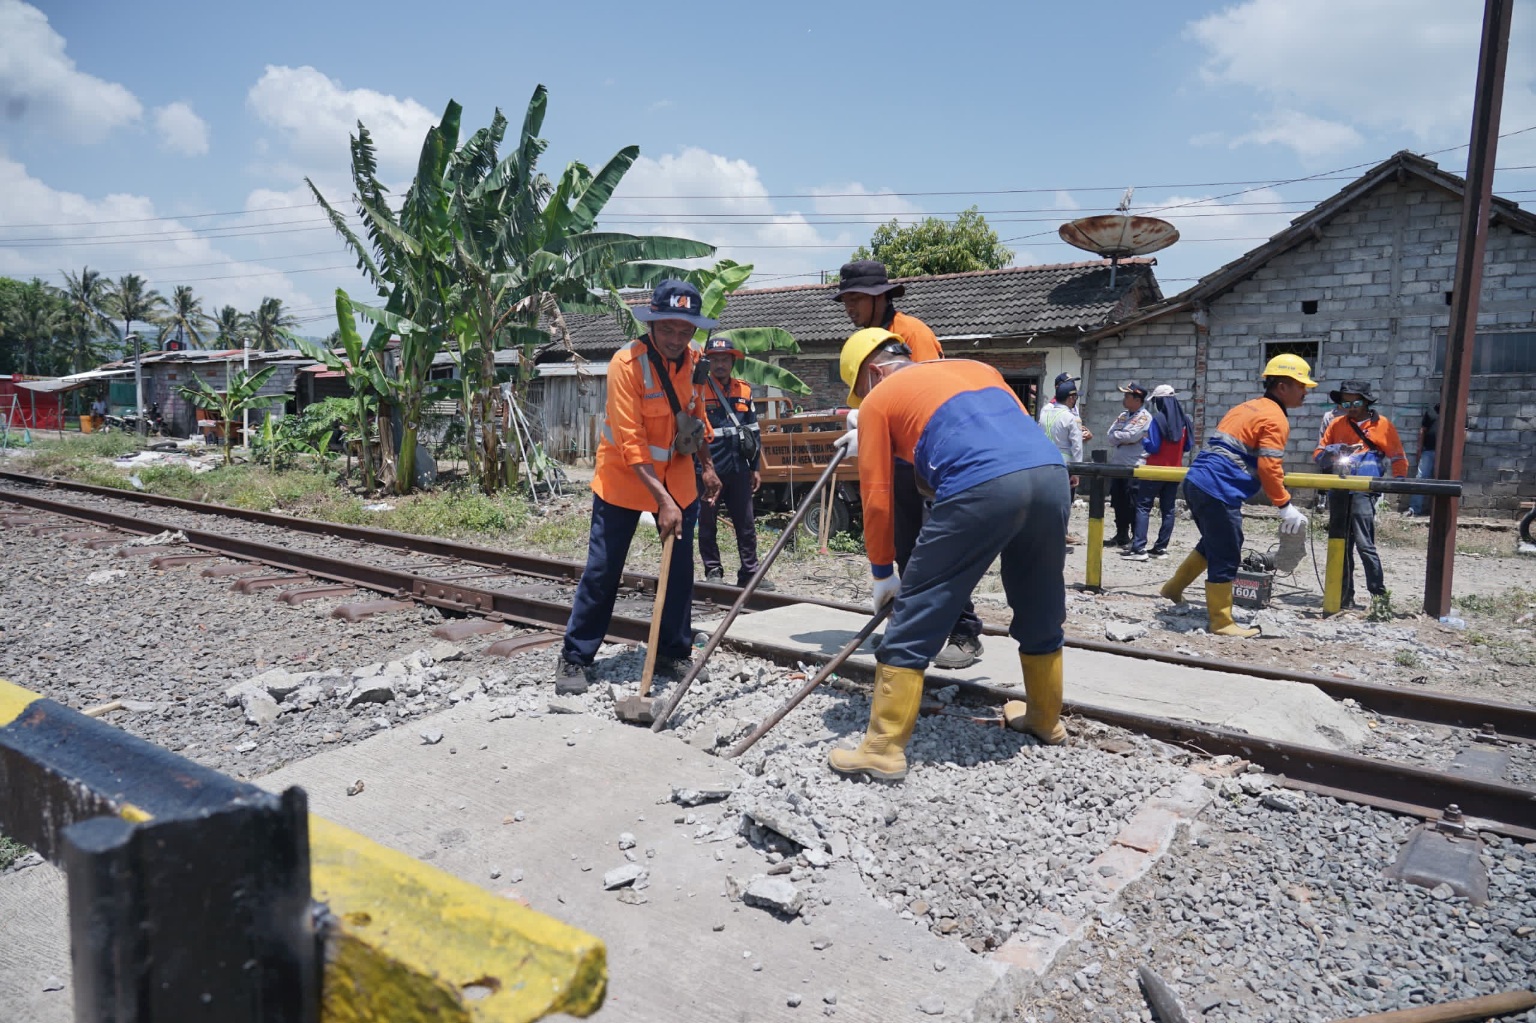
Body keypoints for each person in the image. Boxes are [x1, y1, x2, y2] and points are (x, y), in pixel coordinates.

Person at [826, 328, 1070, 782]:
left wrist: (883, 573)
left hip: (981, 485)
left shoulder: (879, 399)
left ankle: (882, 747)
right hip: (1050, 473)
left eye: (861, 391)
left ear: (875, 373)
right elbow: (975, 444)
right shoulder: (980, 369)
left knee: (920, 606)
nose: (864, 401)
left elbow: (878, 498)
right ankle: (1044, 717)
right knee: (1039, 599)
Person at [556, 280, 722, 694]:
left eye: (685, 332)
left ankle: (672, 652)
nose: (676, 340)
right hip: (624, 480)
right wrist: (663, 501)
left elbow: (696, 417)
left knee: (681, 571)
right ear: (651, 324)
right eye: (668, 330)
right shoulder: (625, 364)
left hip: (678, 479)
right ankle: (575, 657)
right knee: (603, 569)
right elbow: (630, 443)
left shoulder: (696, 361)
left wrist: (707, 466)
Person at [831, 260, 983, 670]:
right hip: (894, 456)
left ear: (881, 297)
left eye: (857, 299)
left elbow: (931, 394)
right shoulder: (866, 338)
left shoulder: (913, 333)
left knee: (936, 548)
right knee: (906, 546)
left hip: (925, 461)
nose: (850, 308)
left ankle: (964, 631)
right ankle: (916, 623)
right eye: (846, 300)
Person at [1159, 354, 1318, 637]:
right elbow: (1269, 467)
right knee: (1228, 551)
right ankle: (1221, 622)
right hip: (1218, 488)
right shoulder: (1275, 418)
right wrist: (1285, 506)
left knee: (1216, 542)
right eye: (1301, 386)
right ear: (1282, 387)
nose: (1305, 392)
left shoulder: (1247, 407)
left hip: (1198, 481)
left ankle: (1173, 588)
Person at [1314, 381, 1408, 614]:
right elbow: (1318, 454)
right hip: (1340, 489)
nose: (1351, 407)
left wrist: (1399, 480)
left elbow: (1398, 457)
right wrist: (1332, 450)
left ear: (1366, 402)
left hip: (1364, 490)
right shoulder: (1336, 424)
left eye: (1355, 402)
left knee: (1365, 545)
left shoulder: (1382, 425)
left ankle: (1379, 598)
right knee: (1340, 544)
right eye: (1346, 402)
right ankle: (1344, 597)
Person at [697, 335, 765, 588]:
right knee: (707, 522)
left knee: (746, 523)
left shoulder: (744, 390)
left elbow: (753, 431)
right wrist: (704, 468)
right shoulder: (699, 389)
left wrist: (756, 467)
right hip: (708, 468)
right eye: (715, 359)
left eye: (725, 359)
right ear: (708, 362)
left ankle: (750, 572)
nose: (720, 364)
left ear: (732, 361)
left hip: (739, 468)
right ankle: (713, 570)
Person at [1124, 384, 1193, 561]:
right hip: (1175, 471)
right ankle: (1161, 548)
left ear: (1160, 401)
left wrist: (1145, 440)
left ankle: (1139, 548)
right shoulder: (1185, 420)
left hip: (1154, 470)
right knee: (1168, 509)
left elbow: (1153, 447)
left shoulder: (1157, 420)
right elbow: (1188, 446)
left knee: (1143, 507)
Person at [1038, 377, 1087, 546]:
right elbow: (1077, 446)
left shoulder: (1045, 412)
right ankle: (1059, 536)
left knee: (1046, 500)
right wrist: (1078, 472)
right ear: (1071, 398)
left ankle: (1045, 534)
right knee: (1063, 502)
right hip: (1064, 465)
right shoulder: (1070, 417)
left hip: (1044, 462)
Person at [1105, 381, 1152, 548]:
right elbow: (1110, 436)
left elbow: (1132, 436)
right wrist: (1122, 437)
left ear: (1137, 399)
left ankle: (1135, 536)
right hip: (1118, 465)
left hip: (1135, 466)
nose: (1124, 398)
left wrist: (1122, 437)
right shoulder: (1123, 415)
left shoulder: (1145, 417)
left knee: (1133, 503)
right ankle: (1121, 534)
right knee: (1118, 501)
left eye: (1127, 395)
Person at [1408, 402, 1441, 516]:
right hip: (1429, 451)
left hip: (1447, 454)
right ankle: (1414, 509)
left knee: (1444, 480)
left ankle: (1440, 512)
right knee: (1421, 477)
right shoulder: (1432, 410)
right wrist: (1419, 449)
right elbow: (1423, 430)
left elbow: (1463, 432)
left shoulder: (1459, 411)